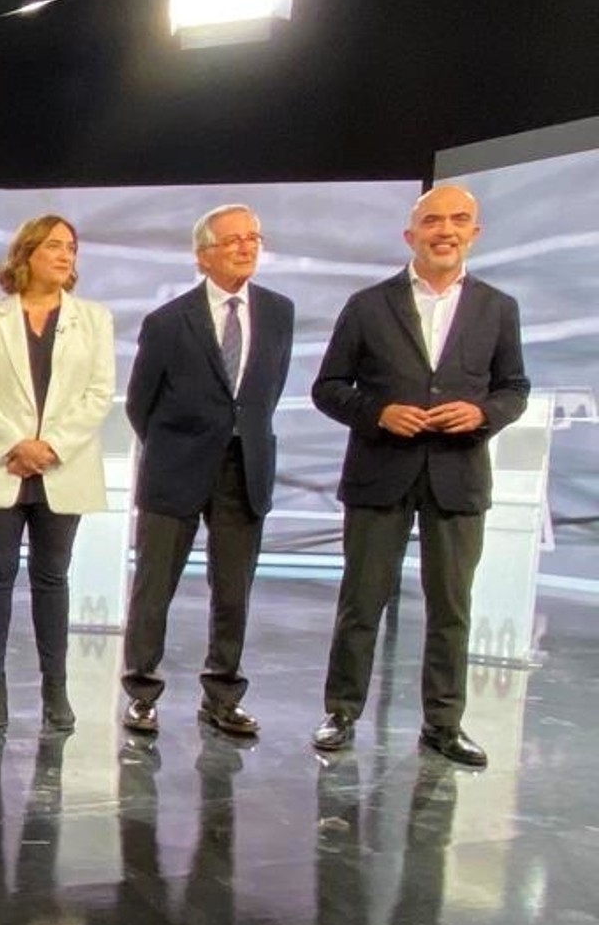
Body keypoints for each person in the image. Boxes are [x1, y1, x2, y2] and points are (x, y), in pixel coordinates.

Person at [309, 184, 529, 767]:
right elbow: (328, 387)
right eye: (433, 221)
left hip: (457, 478)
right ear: (411, 234)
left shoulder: (497, 308)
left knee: (451, 607)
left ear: (474, 233)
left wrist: (483, 413)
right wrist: (377, 413)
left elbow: (515, 389)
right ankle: (342, 712)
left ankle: (443, 723)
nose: (445, 230)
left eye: (459, 220)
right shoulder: (367, 305)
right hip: (381, 473)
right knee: (362, 601)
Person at [119, 204, 293, 739]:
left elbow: (267, 392)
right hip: (175, 470)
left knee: (233, 590)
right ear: (203, 255)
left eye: (253, 238)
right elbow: (139, 404)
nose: (246, 247)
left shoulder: (279, 312)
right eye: (233, 240)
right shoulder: (169, 321)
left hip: (247, 469)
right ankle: (142, 692)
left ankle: (222, 695)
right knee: (154, 588)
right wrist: (180, 446)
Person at [0, 214, 115, 731]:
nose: (65, 255)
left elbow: (98, 393)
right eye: (53, 246)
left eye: (71, 247)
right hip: (1, 464)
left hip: (59, 468)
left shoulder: (94, 319)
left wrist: (50, 447)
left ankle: (55, 688)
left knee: (52, 578)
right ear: (26, 255)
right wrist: (15, 445)